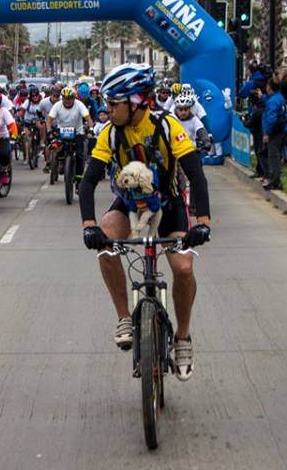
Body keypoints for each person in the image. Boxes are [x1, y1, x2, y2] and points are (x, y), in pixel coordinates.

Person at [78, 63, 211, 381]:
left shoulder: (167, 126)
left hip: (169, 203)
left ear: (136, 102)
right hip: (129, 203)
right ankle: (124, 316)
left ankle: (182, 337)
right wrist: (88, 226)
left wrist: (202, 222)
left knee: (183, 268)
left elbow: (196, 173)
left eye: (113, 103)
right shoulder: (109, 133)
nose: (107, 109)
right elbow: (88, 181)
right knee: (107, 241)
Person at [47, 86, 93, 178]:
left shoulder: (79, 104)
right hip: (62, 131)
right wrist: (49, 132)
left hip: (78, 131)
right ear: (62, 98)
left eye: (70, 98)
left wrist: (91, 130)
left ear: (74, 98)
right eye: (65, 98)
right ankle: (61, 159)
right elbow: (49, 121)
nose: (67, 100)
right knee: (56, 145)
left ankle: (79, 178)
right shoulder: (57, 105)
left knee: (80, 155)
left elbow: (88, 119)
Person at [261, 77, 287, 191]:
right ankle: (275, 180)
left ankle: (275, 181)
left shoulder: (273, 101)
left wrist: (267, 133)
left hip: (275, 132)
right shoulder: (279, 98)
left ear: (270, 87)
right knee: (276, 155)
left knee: (274, 156)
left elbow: (271, 118)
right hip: (282, 130)